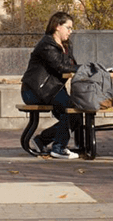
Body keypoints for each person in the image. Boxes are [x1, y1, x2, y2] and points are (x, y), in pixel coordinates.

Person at [21, 12, 80, 159]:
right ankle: (59, 148)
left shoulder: (67, 45)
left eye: (71, 28)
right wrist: (84, 68)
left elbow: (71, 65)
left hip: (53, 90)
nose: (70, 31)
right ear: (57, 26)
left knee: (76, 115)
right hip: (36, 91)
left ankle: (42, 140)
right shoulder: (47, 44)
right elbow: (60, 67)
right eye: (68, 27)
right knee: (70, 109)